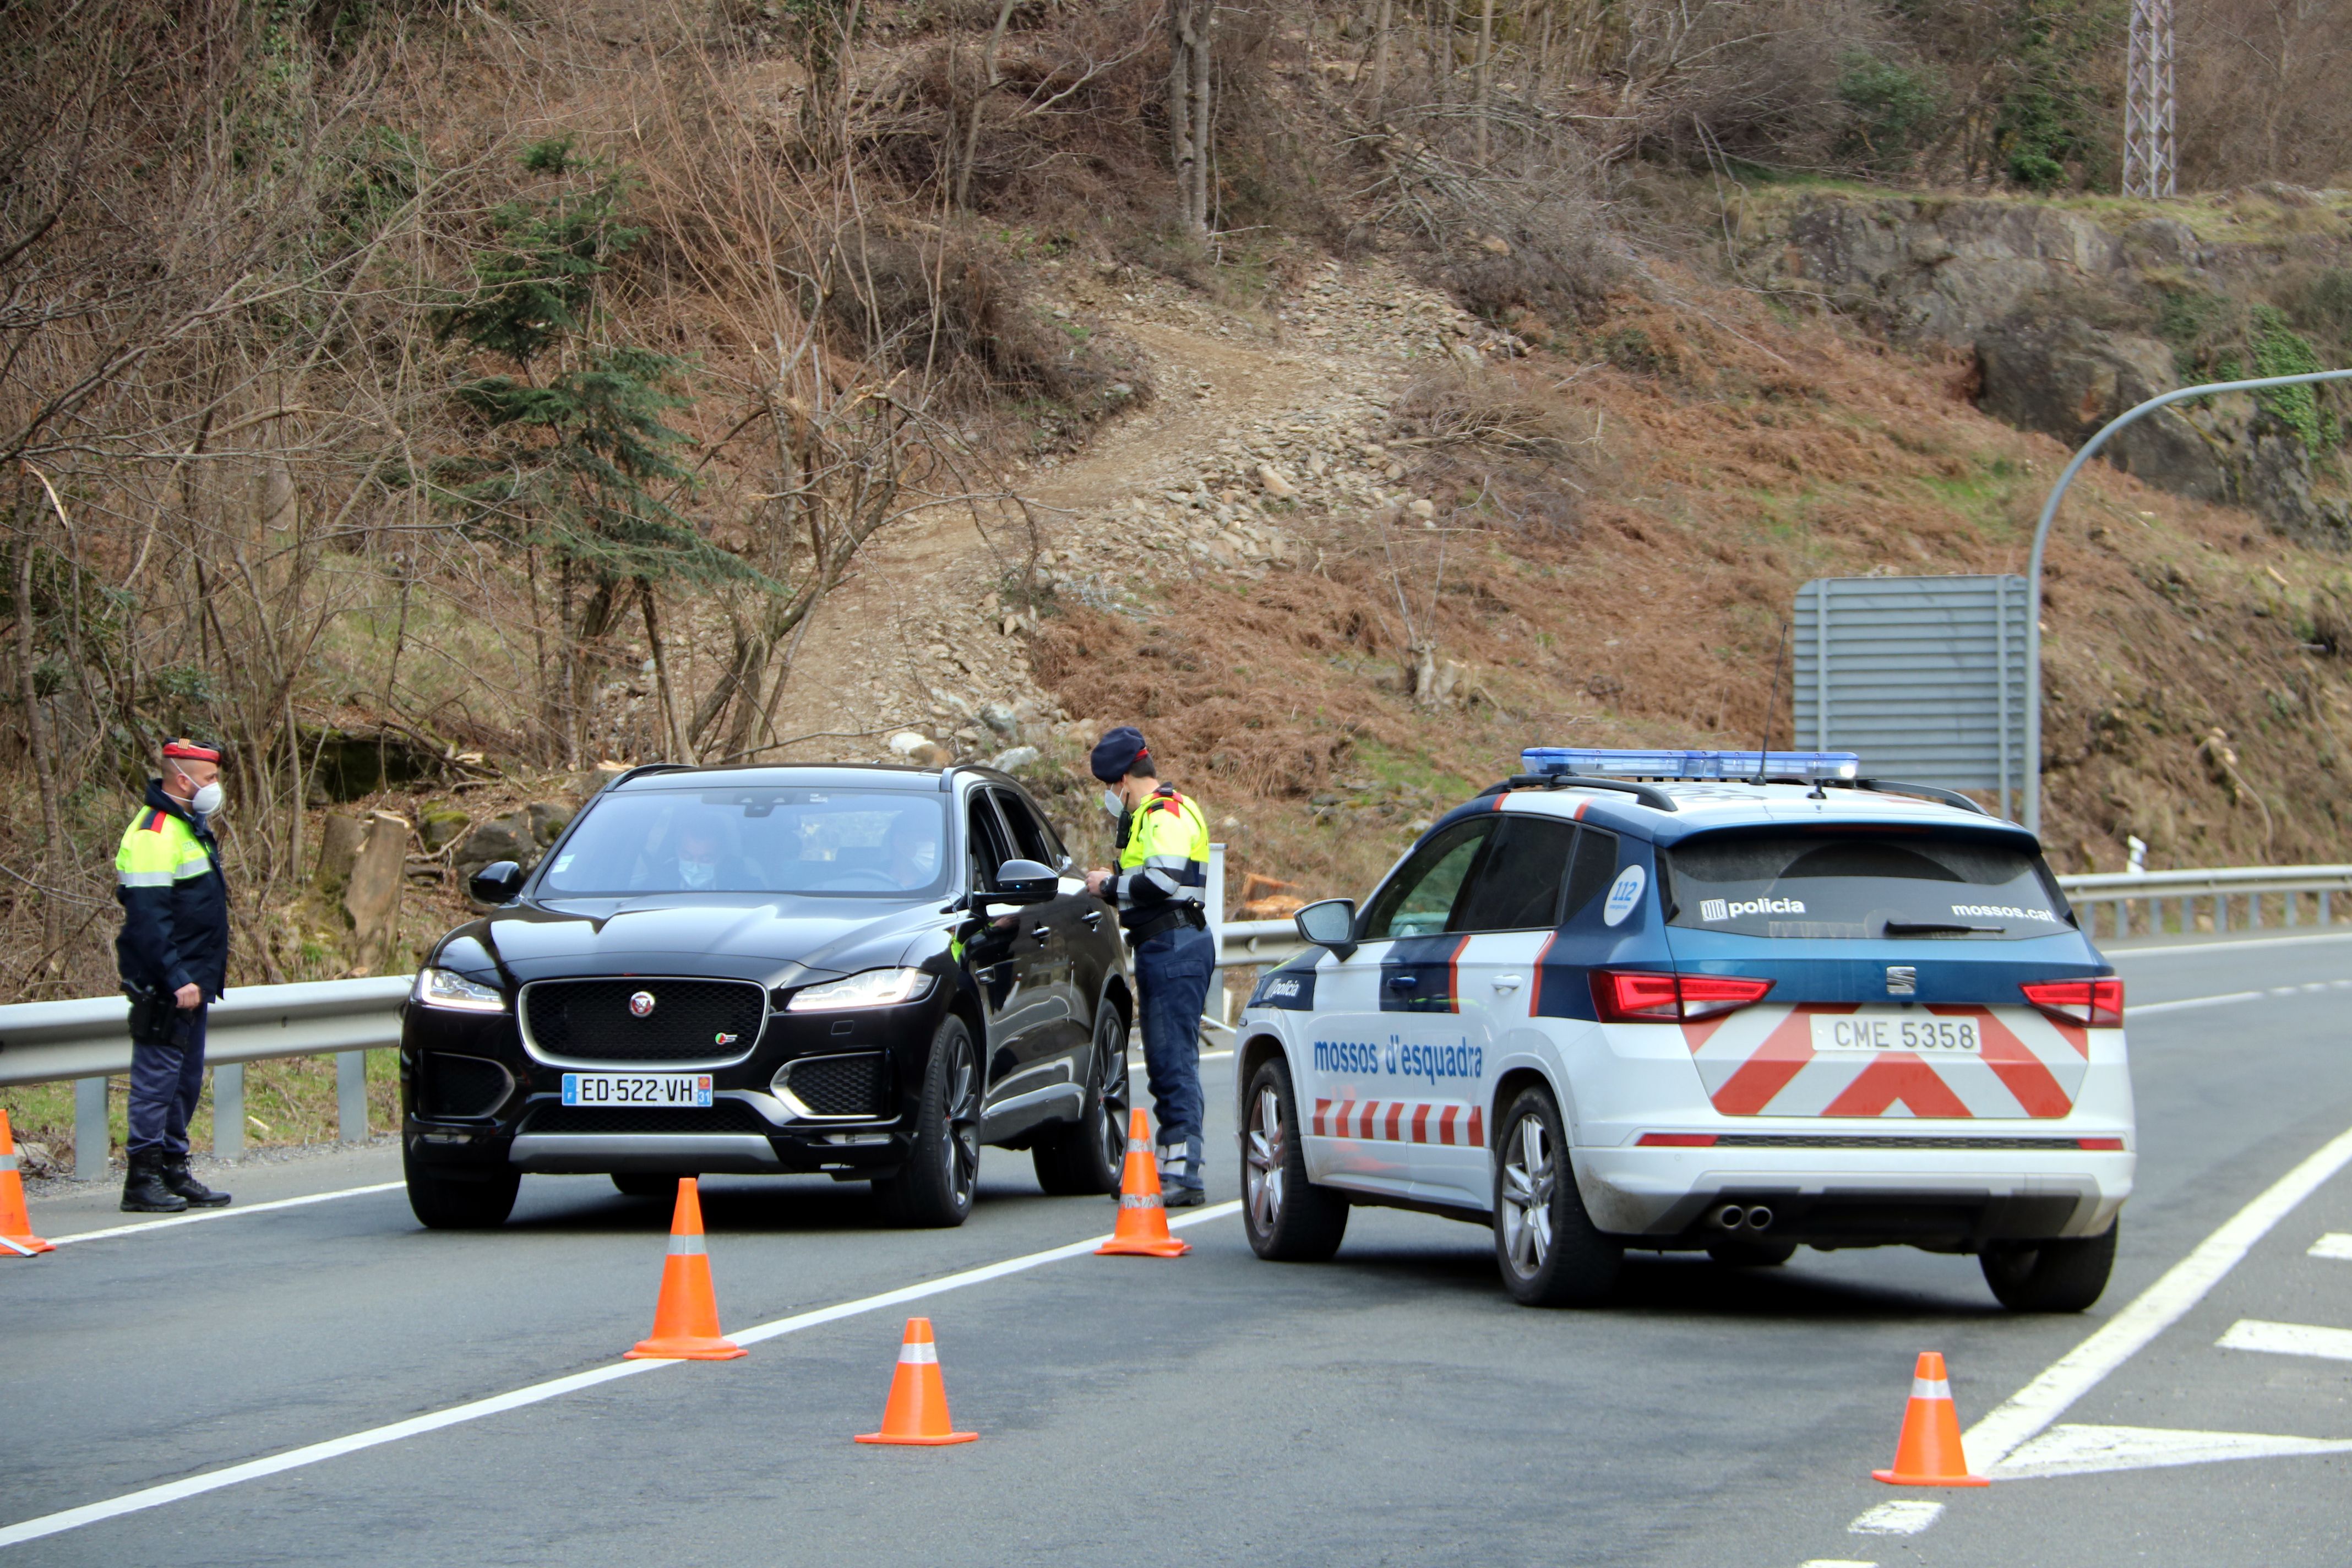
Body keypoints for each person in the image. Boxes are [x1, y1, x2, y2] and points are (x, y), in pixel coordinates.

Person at [1084, 726, 1214, 1207]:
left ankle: (1184, 1173)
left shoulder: (1163, 815)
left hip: (1173, 944)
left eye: (1109, 788)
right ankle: (1168, 1166)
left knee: (1172, 1059)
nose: (1110, 799)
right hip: (1169, 945)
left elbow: (1160, 881)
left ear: (1123, 781)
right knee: (1167, 1059)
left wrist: (1106, 887)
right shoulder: (1159, 812)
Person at [114, 738, 233, 1213]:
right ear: (181, 779)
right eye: (208, 780)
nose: (215, 788)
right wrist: (176, 977)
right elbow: (148, 918)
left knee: (184, 1080)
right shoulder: (154, 833)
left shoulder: (190, 827)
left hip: (193, 981)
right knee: (157, 1080)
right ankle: (141, 1180)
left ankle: (173, 1169)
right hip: (167, 981)